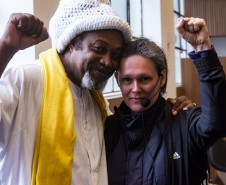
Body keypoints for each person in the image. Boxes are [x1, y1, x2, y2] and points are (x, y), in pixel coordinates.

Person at [0, 1, 194, 185]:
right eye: (99, 49)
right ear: (72, 42)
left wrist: (169, 109)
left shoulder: (96, 100)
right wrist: (6, 48)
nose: (108, 62)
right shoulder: (27, 79)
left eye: (115, 55)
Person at [104, 17, 226, 185]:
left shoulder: (185, 121)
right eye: (127, 80)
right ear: (118, 80)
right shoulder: (108, 129)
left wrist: (202, 50)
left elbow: (216, 124)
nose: (135, 89)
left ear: (162, 78)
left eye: (144, 79)